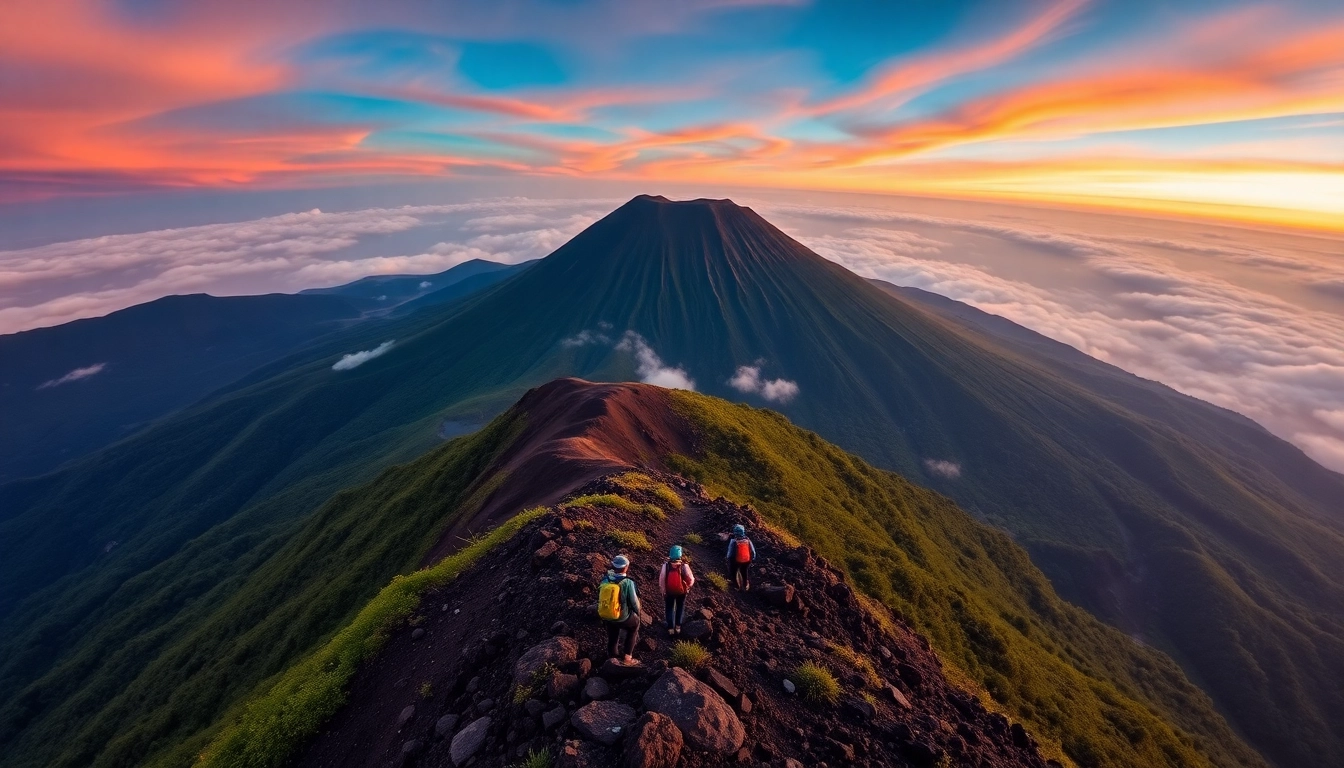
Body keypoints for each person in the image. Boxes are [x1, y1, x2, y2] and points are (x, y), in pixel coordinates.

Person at [597, 554, 642, 665]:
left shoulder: (605, 580)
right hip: (624, 617)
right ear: (626, 567)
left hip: (608, 615)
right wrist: (638, 613)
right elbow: (634, 602)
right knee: (634, 627)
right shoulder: (628, 582)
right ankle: (627, 658)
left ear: (613, 566)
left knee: (613, 635)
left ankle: (612, 658)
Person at [660, 545, 696, 636]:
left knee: (669, 608)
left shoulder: (666, 565)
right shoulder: (684, 566)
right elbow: (691, 579)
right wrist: (688, 587)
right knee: (680, 607)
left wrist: (663, 590)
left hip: (669, 591)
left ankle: (670, 628)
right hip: (682, 592)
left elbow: (662, 579)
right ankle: (678, 627)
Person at [725, 524, 756, 591]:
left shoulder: (733, 541)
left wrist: (728, 558)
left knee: (733, 572)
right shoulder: (748, 540)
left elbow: (730, 552)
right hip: (747, 560)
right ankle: (745, 585)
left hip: (736, 560)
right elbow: (753, 551)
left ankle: (737, 586)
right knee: (744, 572)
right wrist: (752, 558)